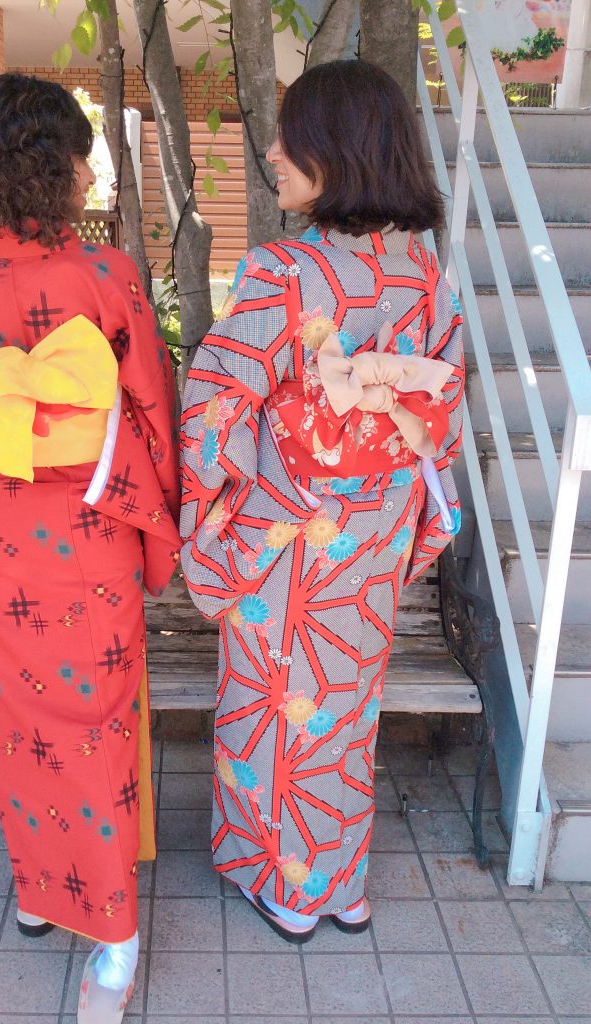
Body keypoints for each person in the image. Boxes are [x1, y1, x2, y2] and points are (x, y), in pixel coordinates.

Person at [0, 73, 180, 1021]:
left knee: (24, 723)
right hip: (92, 531)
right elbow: (149, 408)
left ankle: (75, 907)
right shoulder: (105, 274)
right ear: (53, 166)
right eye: (80, 158)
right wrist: (159, 519)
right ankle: (93, 923)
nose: (87, 174)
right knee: (90, 724)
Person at [180, 59, 464, 943]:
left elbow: (216, 405)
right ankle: (341, 884)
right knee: (342, 707)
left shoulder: (284, 271)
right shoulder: (424, 274)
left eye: (288, 136)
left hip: (287, 537)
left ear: (336, 150)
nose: (272, 151)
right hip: (375, 531)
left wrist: (212, 513)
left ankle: (292, 890)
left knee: (276, 710)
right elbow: (437, 418)